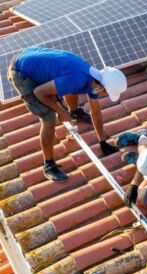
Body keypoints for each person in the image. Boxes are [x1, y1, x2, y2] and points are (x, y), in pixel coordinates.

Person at [7, 46, 128, 182]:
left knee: (68, 88)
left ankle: (74, 112)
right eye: (106, 92)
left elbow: (96, 112)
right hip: (21, 71)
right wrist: (61, 112)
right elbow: (39, 93)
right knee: (49, 117)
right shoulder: (77, 78)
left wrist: (102, 142)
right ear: (101, 87)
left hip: (30, 57)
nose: (103, 95)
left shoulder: (94, 77)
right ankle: (49, 165)